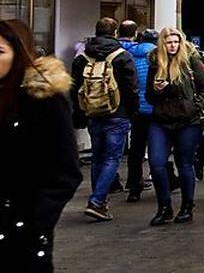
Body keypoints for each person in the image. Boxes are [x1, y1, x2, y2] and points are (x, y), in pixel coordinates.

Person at [0, 19, 82, 271]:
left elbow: (66, 171)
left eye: (0, 51)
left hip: (21, 230)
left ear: (19, 52)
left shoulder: (43, 100)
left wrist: (35, 220)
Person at [71, 17, 139, 222]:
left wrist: (79, 113)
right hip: (117, 114)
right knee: (111, 159)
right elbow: (131, 87)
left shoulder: (83, 56)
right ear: (115, 32)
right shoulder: (122, 56)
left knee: (98, 157)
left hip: (93, 113)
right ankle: (97, 201)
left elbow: (74, 87)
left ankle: (99, 200)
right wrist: (132, 111)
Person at [144, 28, 204, 225]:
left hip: (187, 121)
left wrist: (193, 106)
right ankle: (164, 207)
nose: (173, 46)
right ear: (162, 44)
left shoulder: (190, 60)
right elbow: (149, 96)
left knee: (184, 164)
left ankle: (187, 206)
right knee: (157, 164)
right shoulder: (155, 62)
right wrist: (157, 91)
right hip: (161, 120)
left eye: (176, 42)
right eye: (169, 42)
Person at [117, 22, 154, 203]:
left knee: (136, 148)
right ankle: (164, 180)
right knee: (156, 147)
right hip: (155, 108)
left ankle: (134, 186)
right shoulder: (156, 56)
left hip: (136, 108)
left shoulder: (128, 54)